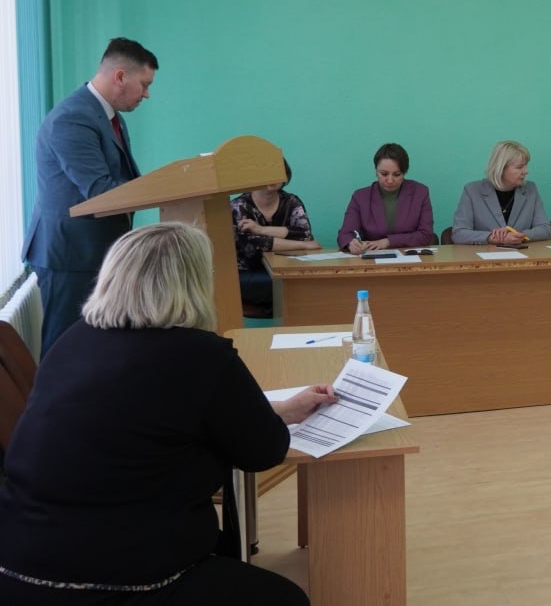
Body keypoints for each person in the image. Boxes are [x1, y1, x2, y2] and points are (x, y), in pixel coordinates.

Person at [0, 222, 334, 605]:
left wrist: (281, 410)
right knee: (287, 599)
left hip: (17, 561)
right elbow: (264, 451)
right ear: (193, 283)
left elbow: (150, 415)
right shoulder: (201, 355)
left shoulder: (73, 340)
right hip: (118, 577)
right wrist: (269, 420)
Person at [22, 37, 158, 356]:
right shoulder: (73, 117)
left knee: (96, 349)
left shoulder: (108, 116)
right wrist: (161, 190)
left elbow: (123, 180)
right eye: (145, 84)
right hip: (70, 254)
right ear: (120, 76)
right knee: (64, 349)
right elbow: (100, 191)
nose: (147, 94)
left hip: (96, 250)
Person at [231, 158, 321, 313]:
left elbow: (304, 233)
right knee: (298, 288)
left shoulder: (292, 201)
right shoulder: (239, 205)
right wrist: (303, 245)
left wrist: (261, 230)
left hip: (287, 268)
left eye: (278, 171)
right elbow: (253, 245)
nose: (273, 177)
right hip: (249, 272)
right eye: (266, 172)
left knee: (312, 283)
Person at [338, 142, 436, 253]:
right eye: (384, 174)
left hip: (409, 258)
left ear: (404, 172)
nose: (390, 180)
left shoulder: (420, 192)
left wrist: (388, 242)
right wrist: (351, 244)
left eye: (397, 174)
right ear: (376, 171)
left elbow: (426, 235)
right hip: (370, 258)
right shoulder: (360, 197)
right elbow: (345, 234)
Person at [452, 140, 551, 245]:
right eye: (519, 167)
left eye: (526, 166)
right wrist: (491, 237)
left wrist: (519, 235)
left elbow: (545, 229)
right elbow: (459, 233)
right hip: (485, 254)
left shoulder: (530, 189)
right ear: (500, 168)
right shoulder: (472, 191)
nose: (526, 171)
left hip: (522, 254)